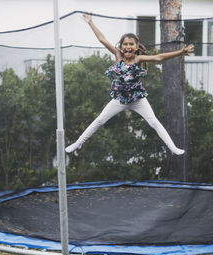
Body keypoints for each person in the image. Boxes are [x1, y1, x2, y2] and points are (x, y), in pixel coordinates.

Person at [65, 14, 195, 155]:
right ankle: (78, 143)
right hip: (119, 99)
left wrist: (180, 52)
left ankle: (173, 148)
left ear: (136, 47)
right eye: (125, 44)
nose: (128, 47)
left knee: (154, 123)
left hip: (138, 100)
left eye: (131, 44)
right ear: (121, 47)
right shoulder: (118, 56)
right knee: (100, 120)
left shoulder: (138, 59)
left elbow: (159, 57)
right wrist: (90, 22)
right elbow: (102, 40)